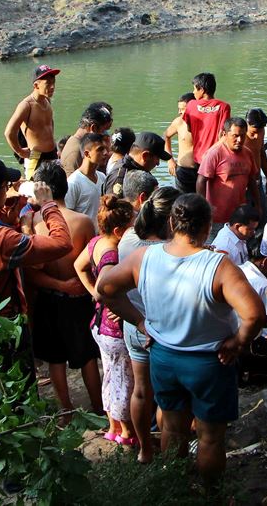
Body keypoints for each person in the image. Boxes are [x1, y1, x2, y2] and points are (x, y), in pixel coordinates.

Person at [96, 193, 267, 485]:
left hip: (164, 358)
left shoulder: (144, 257)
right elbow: (255, 315)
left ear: (172, 223)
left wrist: (140, 321)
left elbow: (105, 289)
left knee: (172, 430)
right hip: (209, 363)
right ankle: (210, 493)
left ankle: (174, 488)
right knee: (210, 437)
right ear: (208, 226)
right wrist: (238, 341)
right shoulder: (219, 266)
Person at [0, 157, 72, 381]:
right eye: (5, 186)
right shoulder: (1, 239)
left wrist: (10, 215)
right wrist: (48, 205)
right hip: (7, 327)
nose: (9, 190)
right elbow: (62, 243)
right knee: (19, 386)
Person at [27, 163, 102, 416]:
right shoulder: (82, 221)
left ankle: (66, 412)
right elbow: (91, 263)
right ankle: (98, 408)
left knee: (55, 358)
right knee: (87, 356)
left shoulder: (34, 222)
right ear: (66, 187)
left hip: (48, 296)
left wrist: (58, 285)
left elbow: (31, 271)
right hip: (78, 296)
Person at [117, 185, 181, 463]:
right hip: (161, 331)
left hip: (134, 324)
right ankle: (168, 457)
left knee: (141, 390)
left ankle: (144, 450)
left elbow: (107, 289)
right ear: (172, 221)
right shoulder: (165, 252)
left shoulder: (128, 239)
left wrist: (137, 319)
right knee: (168, 396)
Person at [75, 195, 136, 446]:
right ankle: (127, 432)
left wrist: (94, 295)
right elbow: (104, 288)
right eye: (132, 226)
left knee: (111, 376)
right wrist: (111, 302)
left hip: (99, 325)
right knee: (124, 381)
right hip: (114, 330)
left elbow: (79, 266)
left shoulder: (96, 242)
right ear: (119, 230)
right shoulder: (112, 252)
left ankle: (112, 426)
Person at [196, 117, 261, 236]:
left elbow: (252, 180)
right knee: (215, 245)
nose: (239, 140)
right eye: (235, 136)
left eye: (243, 136)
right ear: (225, 134)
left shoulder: (248, 153)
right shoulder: (215, 153)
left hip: (239, 216)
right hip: (217, 217)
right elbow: (201, 181)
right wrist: (203, 208)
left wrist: (258, 204)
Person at [4, 65, 60, 179]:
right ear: (36, 85)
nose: (52, 87)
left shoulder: (47, 100)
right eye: (48, 83)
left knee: (56, 187)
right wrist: (20, 151)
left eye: (53, 82)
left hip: (53, 154)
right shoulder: (26, 105)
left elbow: (49, 125)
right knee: (36, 188)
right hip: (36, 157)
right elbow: (9, 132)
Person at [183, 72, 231, 168]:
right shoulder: (224, 107)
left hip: (198, 158)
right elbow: (223, 134)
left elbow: (189, 129)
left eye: (194, 89)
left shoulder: (191, 105)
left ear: (202, 90)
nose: (193, 92)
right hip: (217, 158)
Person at [103, 131, 171, 197]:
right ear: (145, 156)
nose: (158, 163)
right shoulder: (119, 177)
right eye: (157, 158)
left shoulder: (141, 169)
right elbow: (112, 204)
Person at [64, 133, 108, 225]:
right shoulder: (73, 183)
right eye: (100, 149)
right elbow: (68, 216)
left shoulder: (102, 177)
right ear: (87, 154)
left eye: (105, 149)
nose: (105, 153)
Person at [60, 104, 113, 176]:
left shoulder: (84, 144)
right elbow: (72, 182)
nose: (105, 136)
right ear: (93, 128)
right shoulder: (75, 153)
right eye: (104, 131)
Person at [165, 92, 198, 193]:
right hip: (184, 171)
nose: (179, 112)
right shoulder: (178, 122)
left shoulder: (206, 123)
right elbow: (166, 136)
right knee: (183, 201)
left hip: (203, 171)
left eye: (183, 109)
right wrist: (170, 160)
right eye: (179, 109)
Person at [244, 108, 267, 206]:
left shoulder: (261, 131)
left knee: (264, 212)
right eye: (253, 133)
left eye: (260, 131)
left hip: (258, 179)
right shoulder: (239, 138)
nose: (257, 136)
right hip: (244, 183)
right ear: (247, 125)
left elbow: (261, 153)